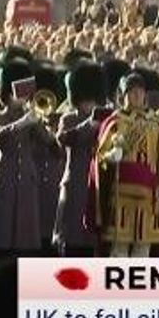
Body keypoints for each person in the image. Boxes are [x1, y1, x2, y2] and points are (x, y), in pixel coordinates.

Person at [0, 59, 57, 259]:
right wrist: (22, 122)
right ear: (7, 93)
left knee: (25, 240)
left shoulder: (31, 116)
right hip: (5, 177)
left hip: (27, 180)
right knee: (1, 235)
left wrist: (42, 124)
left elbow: (49, 143)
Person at [90, 73, 159, 258]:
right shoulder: (115, 122)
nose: (137, 95)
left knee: (143, 251)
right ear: (123, 95)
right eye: (132, 92)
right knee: (119, 251)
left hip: (148, 196)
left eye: (140, 91)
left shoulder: (156, 123)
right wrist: (111, 156)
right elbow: (100, 156)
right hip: (121, 194)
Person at [53, 61, 108, 256]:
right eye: (86, 99)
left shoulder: (107, 118)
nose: (89, 104)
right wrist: (89, 125)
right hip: (76, 183)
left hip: (100, 184)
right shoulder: (68, 119)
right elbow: (63, 139)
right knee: (73, 239)